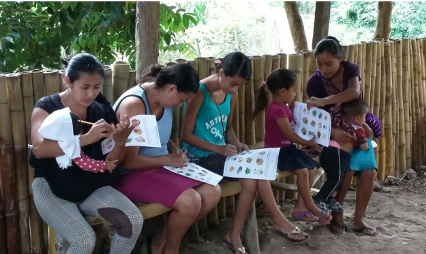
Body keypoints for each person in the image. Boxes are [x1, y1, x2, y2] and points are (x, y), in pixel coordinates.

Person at [182, 52, 317, 254]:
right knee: (255, 172)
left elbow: (228, 128)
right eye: (233, 83)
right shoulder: (200, 93)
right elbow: (186, 135)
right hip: (198, 157)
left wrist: (237, 143)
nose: (235, 89)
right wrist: (219, 148)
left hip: (221, 155)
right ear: (221, 72)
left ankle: (233, 234)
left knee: (253, 176)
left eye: (239, 86)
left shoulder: (231, 93)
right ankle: (277, 221)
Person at [29, 53, 143, 254]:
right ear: (68, 81)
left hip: (91, 184)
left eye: (97, 87)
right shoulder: (46, 107)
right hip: (52, 186)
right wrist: (86, 139)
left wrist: (121, 141)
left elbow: (113, 161)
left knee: (133, 220)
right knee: (83, 239)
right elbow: (39, 149)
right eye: (85, 87)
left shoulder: (102, 110)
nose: (91, 94)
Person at [112, 63, 221, 254]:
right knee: (190, 201)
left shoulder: (163, 100)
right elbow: (128, 162)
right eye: (182, 99)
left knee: (213, 191)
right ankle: (172, 249)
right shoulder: (135, 105)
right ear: (171, 88)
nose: (180, 105)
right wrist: (169, 159)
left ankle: (161, 242)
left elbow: (159, 135)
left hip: (159, 168)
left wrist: (174, 149)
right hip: (129, 174)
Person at [306, 36, 381, 236]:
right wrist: (333, 132)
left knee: (369, 172)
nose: (324, 68)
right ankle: (337, 216)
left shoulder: (350, 70)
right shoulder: (314, 83)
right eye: (319, 64)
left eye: (329, 63)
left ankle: (358, 220)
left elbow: (354, 94)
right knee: (345, 171)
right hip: (334, 136)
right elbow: (314, 118)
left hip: (357, 131)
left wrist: (361, 123)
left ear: (340, 59)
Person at [252, 68, 332, 224]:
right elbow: (289, 134)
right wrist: (310, 143)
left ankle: (300, 208)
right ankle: (310, 205)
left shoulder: (285, 106)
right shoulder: (277, 110)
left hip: (288, 149)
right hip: (276, 152)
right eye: (293, 90)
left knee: (312, 168)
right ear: (283, 91)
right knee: (303, 171)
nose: (295, 94)